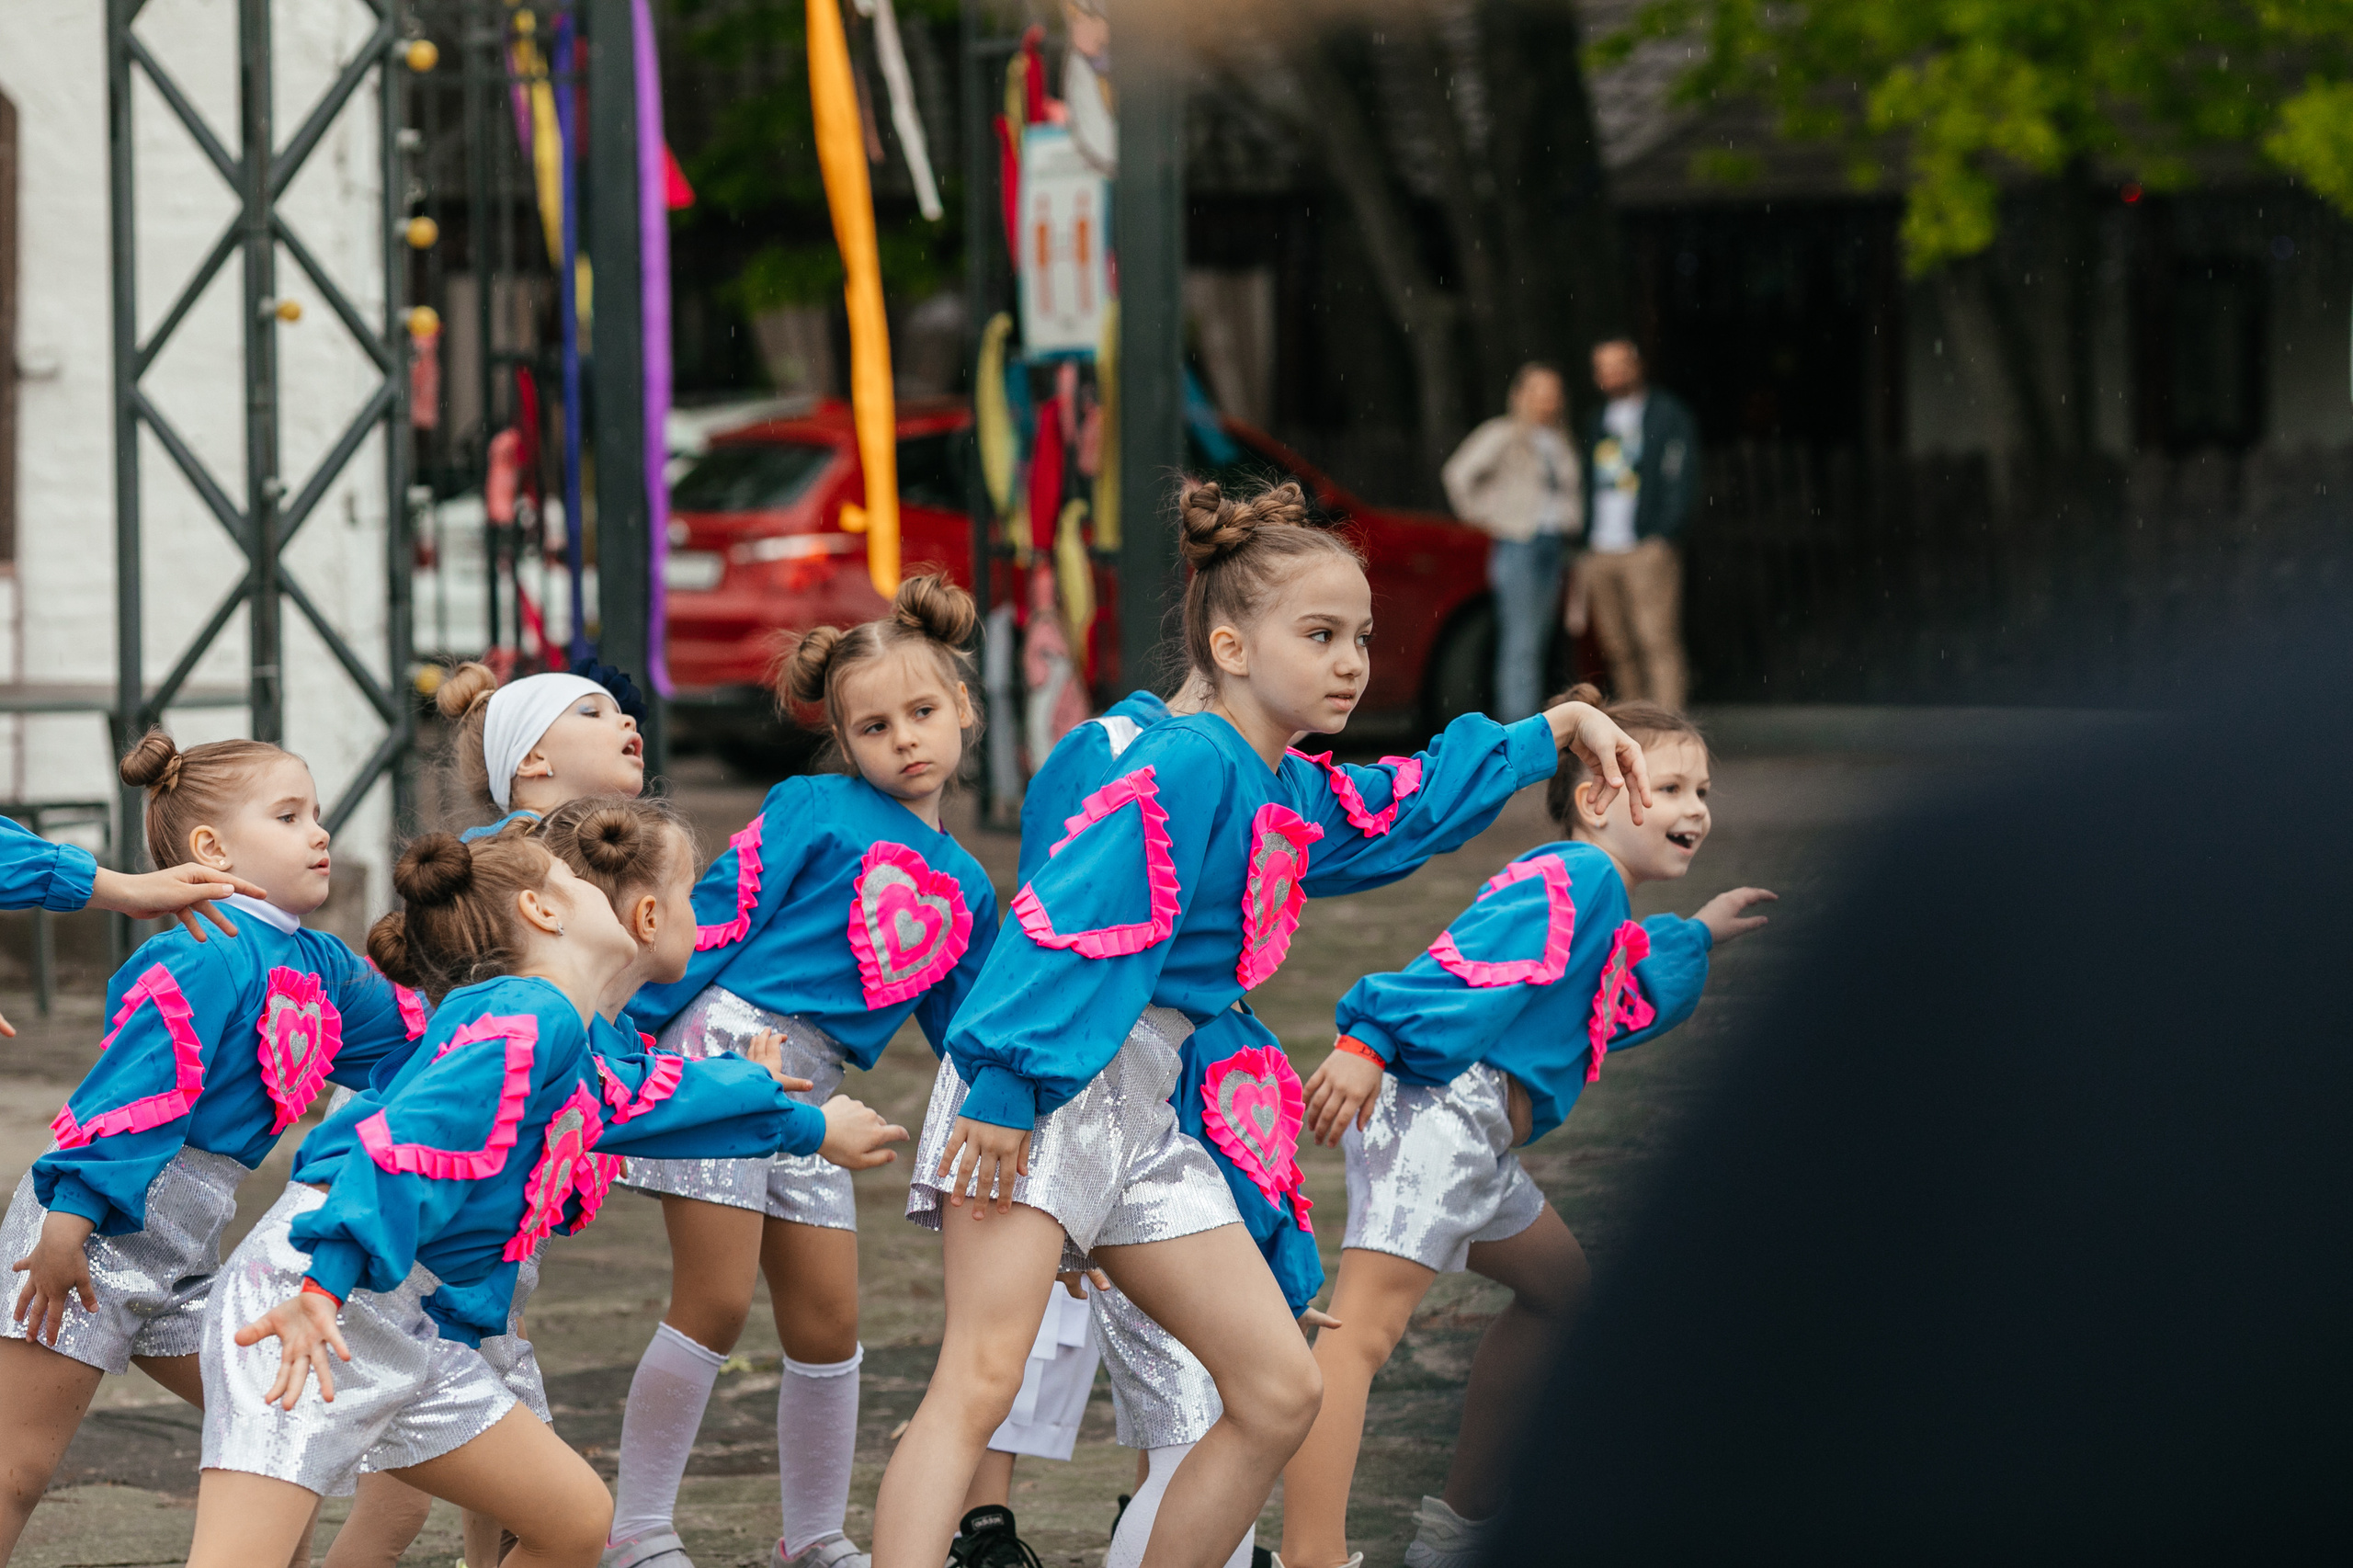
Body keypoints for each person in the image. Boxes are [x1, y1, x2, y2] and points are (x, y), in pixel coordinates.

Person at [870, 479, 1654, 1568]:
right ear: (1231, 644)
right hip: (1046, 1080)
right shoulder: (1184, 759)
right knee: (981, 1374)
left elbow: (1400, 807)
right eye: (1321, 633)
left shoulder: (1274, 779)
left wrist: (1550, 729)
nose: (1351, 661)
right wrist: (1004, 1089)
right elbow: (1070, 917)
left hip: (1146, 1096)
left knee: (1279, 1388)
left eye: (1362, 637)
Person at [181, 828, 908, 1568]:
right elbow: (401, 1141)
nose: (607, 892)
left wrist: (809, 1125)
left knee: (573, 1519)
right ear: (543, 910)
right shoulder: (528, 1016)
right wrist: (325, 1283)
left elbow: (650, 1096)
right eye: (580, 881)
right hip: (315, 1295)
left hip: (395, 1311)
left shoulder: (566, 1035)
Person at [1274, 689, 1773, 1568]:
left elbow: (1616, 998)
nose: (1695, 807)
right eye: (1671, 785)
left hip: (1478, 1148)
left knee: (1559, 1295)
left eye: (1704, 790)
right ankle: (1314, 1557)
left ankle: (1460, 1529)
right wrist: (1368, 1040)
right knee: (1358, 1340)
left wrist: (1699, 935)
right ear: (1595, 798)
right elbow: (1461, 961)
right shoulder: (1570, 879)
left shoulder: (1599, 902)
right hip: (1439, 1116)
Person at [604, 575, 1001, 1568]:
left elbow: (971, 1027)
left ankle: (814, 1535)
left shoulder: (972, 886)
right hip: (723, 1045)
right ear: (845, 739)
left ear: (964, 707)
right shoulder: (813, 806)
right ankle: (637, 1526)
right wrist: (629, 1041)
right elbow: (717, 917)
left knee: (829, 1323)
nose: (904, 738)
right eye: (873, 725)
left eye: (921, 711)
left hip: (817, 1084)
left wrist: (1016, 1105)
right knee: (716, 1299)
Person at [0, 733, 419, 1562]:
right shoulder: (198, 951)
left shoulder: (322, 961)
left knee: (273, 1445)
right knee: (15, 1469)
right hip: (87, 1243)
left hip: (193, 1251)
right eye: (290, 815)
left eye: (320, 815)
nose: (319, 834)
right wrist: (66, 1223)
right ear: (211, 849)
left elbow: (417, 1043)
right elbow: (130, 1096)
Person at [1441, 364, 1582, 723]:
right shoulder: (1502, 432)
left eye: (1552, 393)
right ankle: (1516, 726)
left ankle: (1533, 722)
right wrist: (1487, 516)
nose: (1546, 401)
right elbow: (1458, 473)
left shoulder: (1560, 439)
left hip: (1555, 544)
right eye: (1538, 392)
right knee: (1520, 640)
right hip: (1520, 543)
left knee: (1540, 639)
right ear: (1520, 395)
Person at [1580, 340, 1699, 710]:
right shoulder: (1596, 421)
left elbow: (1682, 477)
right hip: (1600, 548)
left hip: (1645, 547)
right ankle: (1638, 729)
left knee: (1656, 640)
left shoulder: (1667, 415)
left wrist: (1664, 533)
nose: (1611, 373)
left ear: (1637, 366)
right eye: (1603, 366)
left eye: (1619, 364)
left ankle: (1671, 728)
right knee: (1617, 647)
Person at [435, 662, 649, 840]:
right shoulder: (483, 860)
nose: (629, 720)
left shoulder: (648, 849)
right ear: (531, 759)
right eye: (592, 713)